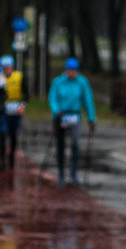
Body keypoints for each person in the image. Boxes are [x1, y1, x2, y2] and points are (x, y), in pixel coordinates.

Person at [48, 57, 96, 187]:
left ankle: (73, 174)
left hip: (74, 116)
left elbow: (87, 100)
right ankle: (61, 174)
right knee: (60, 145)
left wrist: (91, 118)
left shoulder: (82, 82)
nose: (71, 73)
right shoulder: (58, 81)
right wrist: (56, 110)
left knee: (75, 143)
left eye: (74, 71)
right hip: (61, 116)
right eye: (69, 71)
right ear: (66, 70)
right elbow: (52, 97)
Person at [0, 55, 28, 171]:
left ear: (12, 67)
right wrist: (1, 105)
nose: (6, 70)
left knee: (13, 136)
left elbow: (26, 93)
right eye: (4, 68)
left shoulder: (19, 76)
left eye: (8, 67)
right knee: (2, 134)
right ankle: (2, 161)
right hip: (4, 112)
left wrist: (22, 106)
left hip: (16, 110)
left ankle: (12, 157)